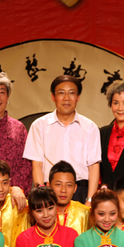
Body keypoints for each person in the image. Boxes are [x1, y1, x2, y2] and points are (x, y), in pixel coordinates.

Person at [24, 75, 101, 205]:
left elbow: (93, 166)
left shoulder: (90, 127)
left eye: (71, 93)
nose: (66, 98)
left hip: (81, 191)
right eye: (61, 93)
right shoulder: (39, 125)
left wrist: (90, 199)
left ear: (78, 97)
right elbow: (37, 164)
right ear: (53, 97)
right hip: (50, 191)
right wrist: (42, 195)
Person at [48, 161, 90, 235]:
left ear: (75, 188)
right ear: (49, 186)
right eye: (58, 184)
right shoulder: (38, 212)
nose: (63, 190)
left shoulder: (85, 213)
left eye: (69, 185)